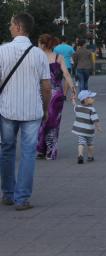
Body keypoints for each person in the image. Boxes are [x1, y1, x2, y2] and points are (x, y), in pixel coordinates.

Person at [0, 13, 52, 210]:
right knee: (29, 153)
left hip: (7, 109)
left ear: (18, 27)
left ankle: (8, 194)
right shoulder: (39, 54)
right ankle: (22, 199)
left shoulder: (2, 51)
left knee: (7, 150)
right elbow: (46, 87)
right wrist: (46, 109)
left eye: (11, 24)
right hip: (32, 110)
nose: (9, 27)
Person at [36, 34, 76, 160]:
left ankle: (41, 150)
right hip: (56, 95)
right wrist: (73, 88)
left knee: (40, 122)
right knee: (53, 123)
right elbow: (67, 74)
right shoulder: (59, 57)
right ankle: (50, 151)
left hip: (40, 94)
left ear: (42, 44)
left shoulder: (37, 57)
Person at [71, 90, 102, 164]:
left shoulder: (78, 108)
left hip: (80, 130)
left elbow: (74, 105)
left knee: (81, 143)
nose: (93, 99)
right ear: (85, 100)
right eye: (91, 98)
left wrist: (73, 99)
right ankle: (90, 157)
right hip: (89, 131)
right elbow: (95, 120)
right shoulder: (92, 109)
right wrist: (98, 127)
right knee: (90, 144)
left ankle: (80, 155)